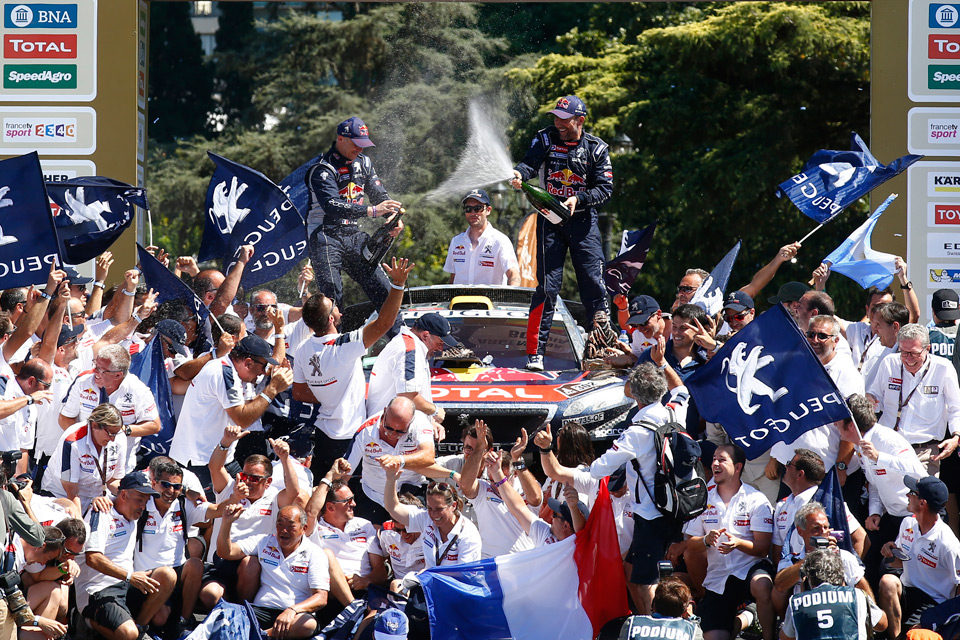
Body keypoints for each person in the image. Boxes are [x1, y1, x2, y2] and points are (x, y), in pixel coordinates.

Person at [509, 95, 613, 372]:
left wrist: (578, 199)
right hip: (549, 218)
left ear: (580, 120)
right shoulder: (544, 138)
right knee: (547, 286)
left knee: (593, 281)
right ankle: (535, 354)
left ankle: (602, 346)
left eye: (564, 119)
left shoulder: (597, 148)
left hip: (583, 222)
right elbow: (529, 163)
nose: (558, 123)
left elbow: (605, 189)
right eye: (556, 117)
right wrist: (520, 174)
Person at [292, 258, 413, 478]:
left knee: (323, 490)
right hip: (350, 436)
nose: (339, 307)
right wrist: (397, 284)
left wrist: (328, 394)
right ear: (331, 319)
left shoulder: (302, 349)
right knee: (347, 496)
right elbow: (384, 323)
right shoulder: (343, 346)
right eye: (334, 305)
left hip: (323, 434)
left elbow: (299, 392)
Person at [589, 363, 677, 614]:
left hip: (651, 515)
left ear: (636, 396)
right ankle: (648, 621)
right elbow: (682, 391)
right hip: (676, 507)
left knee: (644, 582)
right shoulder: (674, 412)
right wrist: (662, 363)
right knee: (631, 572)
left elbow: (599, 469)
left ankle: (657, 627)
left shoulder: (636, 431)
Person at [169, 334, 293, 495]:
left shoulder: (228, 368)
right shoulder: (223, 372)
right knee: (212, 515)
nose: (263, 373)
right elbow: (242, 419)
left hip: (217, 458)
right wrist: (272, 389)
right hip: (200, 461)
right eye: (263, 367)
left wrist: (272, 388)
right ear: (248, 363)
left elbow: (248, 408)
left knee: (244, 500)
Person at [305, 116, 404, 311]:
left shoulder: (364, 163)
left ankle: (398, 335)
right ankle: (333, 339)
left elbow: (378, 194)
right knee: (332, 300)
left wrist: (392, 216)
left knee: (383, 291)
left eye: (364, 144)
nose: (360, 149)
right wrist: (372, 211)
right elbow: (332, 206)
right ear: (341, 139)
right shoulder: (322, 168)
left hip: (352, 235)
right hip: (324, 236)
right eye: (357, 144)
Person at [199, 427, 304, 608]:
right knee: (210, 596)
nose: (247, 481)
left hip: (253, 564)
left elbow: (294, 491)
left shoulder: (274, 497)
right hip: (221, 560)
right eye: (245, 476)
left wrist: (285, 459)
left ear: (268, 482)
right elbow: (214, 467)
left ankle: (242, 613)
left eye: (254, 478)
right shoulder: (230, 488)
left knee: (250, 564)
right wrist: (226, 441)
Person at [682, 444, 775, 640]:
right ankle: (745, 618)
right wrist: (707, 540)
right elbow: (691, 545)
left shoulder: (756, 499)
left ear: (738, 466)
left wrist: (738, 543)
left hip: (749, 570)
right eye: (714, 458)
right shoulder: (702, 499)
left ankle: (769, 636)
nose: (714, 463)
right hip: (718, 579)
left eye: (722, 459)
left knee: (763, 584)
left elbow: (763, 548)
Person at [835, 393, 927, 585]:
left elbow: (918, 473)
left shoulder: (887, 439)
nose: (835, 426)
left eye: (838, 422)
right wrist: (875, 512)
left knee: (899, 570)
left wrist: (880, 457)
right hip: (891, 516)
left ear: (851, 425)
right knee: (868, 557)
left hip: (916, 517)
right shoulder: (860, 446)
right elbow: (875, 485)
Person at [77, 471, 177, 640]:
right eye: (139, 500)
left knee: (168, 575)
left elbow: (157, 471)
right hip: (98, 589)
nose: (143, 506)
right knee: (128, 634)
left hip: (126, 583)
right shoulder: (101, 512)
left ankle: (140, 628)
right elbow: (92, 558)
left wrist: (190, 490)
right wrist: (130, 576)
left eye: (146, 502)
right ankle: (85, 621)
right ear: (123, 495)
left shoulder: (134, 512)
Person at [134, 459, 225, 636]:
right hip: (149, 578)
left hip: (178, 573)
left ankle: (184, 621)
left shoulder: (183, 504)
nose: (170, 491)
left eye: (176, 487)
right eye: (165, 485)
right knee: (160, 618)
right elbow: (119, 492)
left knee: (196, 564)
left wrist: (236, 497)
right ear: (153, 482)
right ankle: (140, 628)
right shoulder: (141, 504)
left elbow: (216, 510)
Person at [217, 504, 330, 639]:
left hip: (295, 614)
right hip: (260, 609)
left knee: (308, 625)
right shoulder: (264, 541)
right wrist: (226, 522)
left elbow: (321, 597)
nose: (283, 530)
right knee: (225, 613)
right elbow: (226, 552)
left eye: (291, 526)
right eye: (280, 524)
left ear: (303, 529)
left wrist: (292, 610)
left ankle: (259, 635)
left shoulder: (315, 553)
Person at [866, 323, 960, 476]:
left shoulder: (944, 368)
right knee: (885, 497)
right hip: (888, 447)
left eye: (914, 353)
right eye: (904, 352)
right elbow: (875, 397)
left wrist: (956, 436)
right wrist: (870, 399)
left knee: (920, 497)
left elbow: (956, 408)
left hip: (924, 452)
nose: (908, 359)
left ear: (927, 348)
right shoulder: (889, 363)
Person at [878, 475, 960, 640]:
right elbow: (898, 562)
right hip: (908, 590)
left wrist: (938, 617)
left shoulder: (948, 544)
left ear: (922, 503)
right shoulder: (907, 524)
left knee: (915, 635)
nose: (907, 496)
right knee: (887, 581)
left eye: (911, 492)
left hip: (934, 602)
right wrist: (889, 551)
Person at [59, 344, 160, 470]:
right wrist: (84, 441)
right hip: (83, 463)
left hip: (120, 466)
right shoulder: (82, 383)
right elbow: (65, 418)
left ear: (118, 375)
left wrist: (121, 430)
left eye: (101, 369)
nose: (94, 371)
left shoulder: (138, 390)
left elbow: (154, 425)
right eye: (95, 365)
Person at [344, 396, 436, 523]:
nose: (393, 434)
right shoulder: (366, 431)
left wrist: (399, 460)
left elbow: (429, 456)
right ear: (385, 412)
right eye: (389, 428)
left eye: (400, 431)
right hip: (374, 494)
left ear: (412, 421)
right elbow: (345, 474)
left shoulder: (420, 423)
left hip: (410, 492)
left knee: (415, 535)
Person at [773, 502, 872, 613]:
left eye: (826, 527)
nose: (823, 533)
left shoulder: (844, 557)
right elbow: (779, 585)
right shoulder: (792, 560)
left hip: (841, 617)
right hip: (806, 617)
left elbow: (869, 601)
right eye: (816, 529)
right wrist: (812, 557)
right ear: (800, 531)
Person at [459, 422, 540, 557]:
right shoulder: (485, 489)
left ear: (514, 474)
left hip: (525, 561)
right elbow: (466, 485)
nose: (497, 484)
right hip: (491, 564)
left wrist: (517, 459)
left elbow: (536, 499)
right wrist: (479, 448)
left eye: (503, 478)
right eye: (493, 479)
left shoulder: (525, 485)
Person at [382, 466, 482, 570]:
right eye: (430, 508)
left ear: (453, 506)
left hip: (455, 584)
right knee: (396, 585)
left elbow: (465, 576)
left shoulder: (468, 534)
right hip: (430, 580)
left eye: (439, 509)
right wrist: (391, 479)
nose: (434, 514)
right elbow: (393, 507)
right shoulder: (425, 518)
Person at [304, 474, 388, 596]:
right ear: (330, 507)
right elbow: (310, 513)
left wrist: (365, 580)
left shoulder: (365, 525)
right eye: (347, 501)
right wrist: (329, 475)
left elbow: (380, 573)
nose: (354, 504)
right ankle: (352, 607)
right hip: (331, 594)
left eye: (353, 498)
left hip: (364, 590)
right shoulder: (315, 529)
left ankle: (355, 609)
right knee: (327, 554)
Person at [365, 312, 456, 424]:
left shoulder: (410, 345)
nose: (441, 348)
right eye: (440, 343)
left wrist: (429, 422)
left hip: (393, 426)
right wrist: (435, 411)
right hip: (390, 430)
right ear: (425, 336)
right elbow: (408, 395)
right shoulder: (409, 351)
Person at [781, 550, 887, 640]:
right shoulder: (858, 596)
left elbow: (786, 637)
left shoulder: (796, 602)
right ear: (841, 574)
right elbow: (882, 624)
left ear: (809, 578)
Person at [42, 403, 128, 515]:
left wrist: (128, 496)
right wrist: (80, 523)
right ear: (95, 425)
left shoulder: (119, 438)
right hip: (61, 494)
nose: (113, 439)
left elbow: (114, 480)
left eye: (116, 433)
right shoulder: (72, 441)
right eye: (110, 434)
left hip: (95, 496)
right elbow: (72, 491)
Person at [442, 188, 519, 286]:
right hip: (460, 301)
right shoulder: (456, 241)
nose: (473, 213)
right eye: (468, 209)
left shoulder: (500, 241)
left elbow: (514, 274)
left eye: (478, 208)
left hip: (491, 301)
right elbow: (453, 278)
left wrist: (511, 298)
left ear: (488, 210)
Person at [618, 578, 703, 640]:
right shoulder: (692, 630)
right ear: (684, 612)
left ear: (653, 605)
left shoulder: (632, 623)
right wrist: (692, 619)